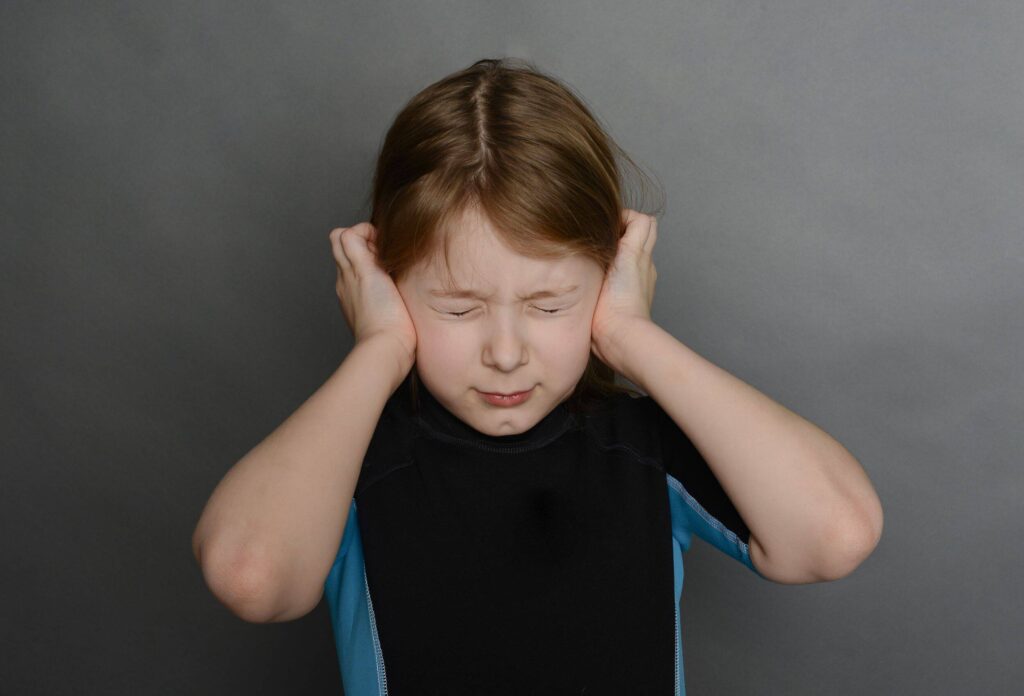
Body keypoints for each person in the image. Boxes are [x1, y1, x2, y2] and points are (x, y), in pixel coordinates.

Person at [192, 58, 883, 695]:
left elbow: (836, 534)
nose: (506, 350)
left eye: (548, 305)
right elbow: (250, 577)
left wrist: (629, 336)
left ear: (611, 275)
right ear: (385, 283)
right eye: (458, 307)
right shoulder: (347, 462)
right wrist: (378, 351)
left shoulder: (643, 448)